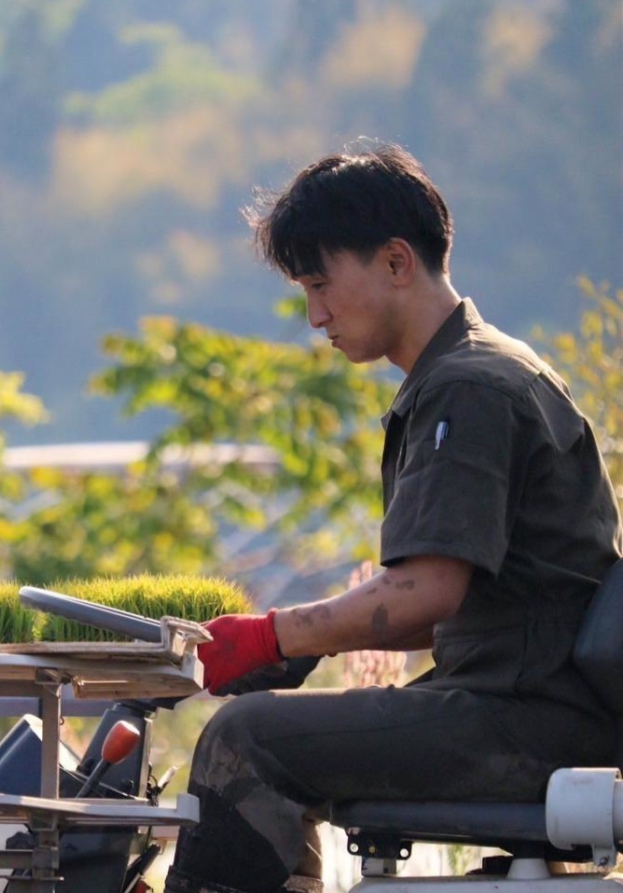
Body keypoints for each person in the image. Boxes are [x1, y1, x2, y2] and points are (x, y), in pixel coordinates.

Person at [163, 143, 623, 893]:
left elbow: (425, 594)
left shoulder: (469, 389)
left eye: (321, 285)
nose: (315, 316)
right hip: (523, 701)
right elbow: (442, 604)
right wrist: (296, 652)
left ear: (396, 263)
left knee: (245, 741)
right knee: (275, 724)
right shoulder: (477, 371)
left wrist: (268, 633)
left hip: (525, 716)